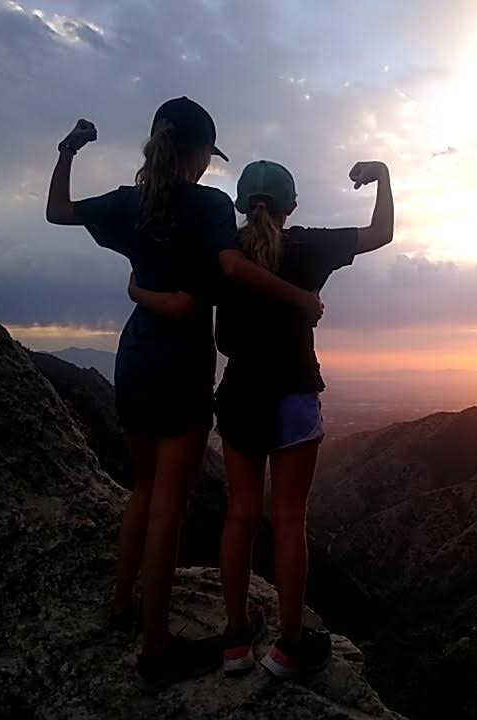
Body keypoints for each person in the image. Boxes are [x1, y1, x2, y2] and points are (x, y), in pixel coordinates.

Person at [45, 98, 324, 692]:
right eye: (207, 154)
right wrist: (299, 299)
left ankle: (123, 605)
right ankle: (155, 652)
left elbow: (58, 212)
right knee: (170, 507)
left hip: (134, 360)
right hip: (181, 369)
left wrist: (68, 151)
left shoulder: (130, 202)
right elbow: (217, 276)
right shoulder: (209, 205)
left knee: (143, 490)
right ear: (201, 154)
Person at [129, 158, 393, 679]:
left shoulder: (221, 252)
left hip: (239, 395)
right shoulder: (309, 246)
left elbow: (181, 300)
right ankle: (290, 646)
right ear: (291, 205)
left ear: (242, 205)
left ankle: (235, 642)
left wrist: (136, 291)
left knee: (240, 516)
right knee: (290, 520)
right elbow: (381, 233)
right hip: (293, 394)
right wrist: (382, 176)